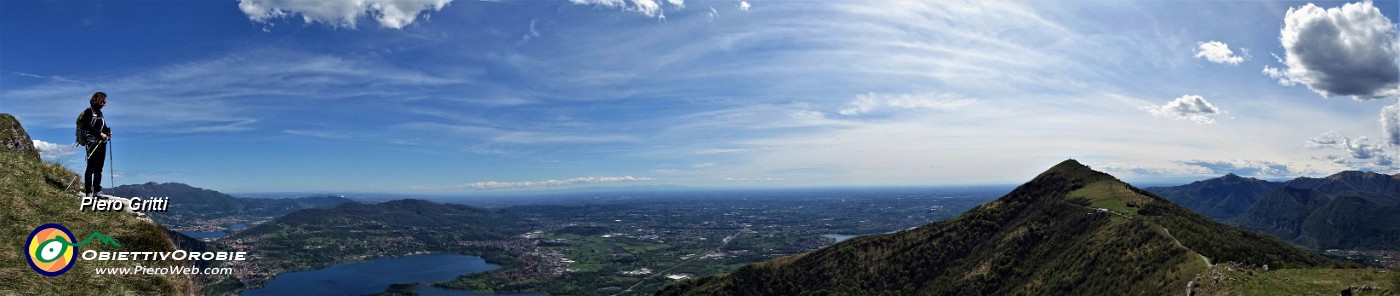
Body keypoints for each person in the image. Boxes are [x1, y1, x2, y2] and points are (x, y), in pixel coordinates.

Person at [80, 92, 111, 198]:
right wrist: (99, 134)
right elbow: (86, 125)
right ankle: (88, 192)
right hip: (92, 143)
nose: (104, 104)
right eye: (103, 101)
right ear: (98, 100)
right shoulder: (89, 112)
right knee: (91, 167)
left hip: (101, 143)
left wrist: (107, 131)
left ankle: (97, 190)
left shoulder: (100, 113)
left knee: (99, 168)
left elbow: (103, 127)